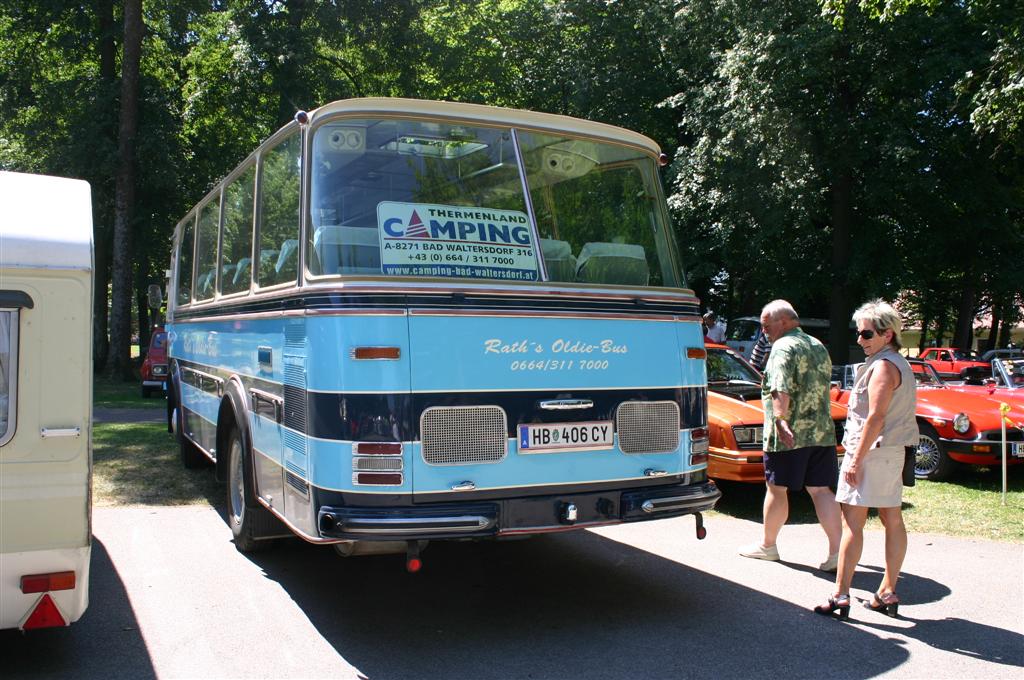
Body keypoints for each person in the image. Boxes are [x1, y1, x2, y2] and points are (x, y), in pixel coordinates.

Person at [815, 300, 917, 620]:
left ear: (888, 334)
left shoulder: (883, 366)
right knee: (892, 519)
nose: (859, 339)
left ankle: (841, 595)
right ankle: (885, 591)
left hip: (873, 452)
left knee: (852, 525)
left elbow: (875, 417)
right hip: (891, 452)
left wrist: (855, 460)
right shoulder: (897, 362)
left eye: (866, 333)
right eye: (858, 333)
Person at [739, 300, 842, 571]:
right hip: (821, 433)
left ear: (783, 322)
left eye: (766, 326)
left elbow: (779, 386)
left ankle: (767, 546)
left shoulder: (783, 347)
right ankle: (837, 554)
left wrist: (782, 420)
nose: (764, 333)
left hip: (789, 434)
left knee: (776, 488)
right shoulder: (817, 345)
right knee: (821, 490)